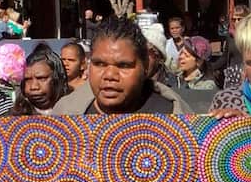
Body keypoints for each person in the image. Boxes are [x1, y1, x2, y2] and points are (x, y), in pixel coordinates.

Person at [53, 17, 193, 115]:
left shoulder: (173, 115)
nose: (109, 75)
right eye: (99, 64)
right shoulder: (65, 113)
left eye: (124, 65)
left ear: (145, 66)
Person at [10, 44, 70, 116]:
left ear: (57, 79)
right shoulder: (11, 118)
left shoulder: (78, 112)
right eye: (27, 79)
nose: (34, 87)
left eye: (41, 78)